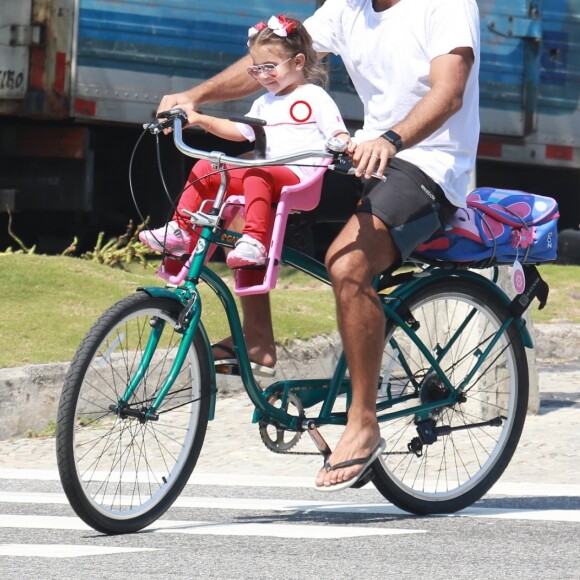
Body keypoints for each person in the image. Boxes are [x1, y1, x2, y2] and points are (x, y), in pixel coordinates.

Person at [156, 0, 481, 492]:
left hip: (428, 163)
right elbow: (273, 59)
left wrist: (391, 140)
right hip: (361, 153)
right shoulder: (346, 8)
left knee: (348, 264)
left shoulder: (446, 6)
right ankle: (259, 339)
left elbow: (450, 92)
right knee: (246, 191)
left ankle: (363, 422)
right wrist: (194, 97)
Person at [141, 15, 349, 272]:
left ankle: (254, 240)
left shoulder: (314, 97)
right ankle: (181, 230)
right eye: (256, 68)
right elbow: (239, 131)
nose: (262, 76)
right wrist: (198, 119)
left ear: (298, 62)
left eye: (269, 67)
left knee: (257, 170)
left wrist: (342, 144)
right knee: (206, 168)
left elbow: (337, 132)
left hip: (300, 179)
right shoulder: (265, 102)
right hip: (265, 175)